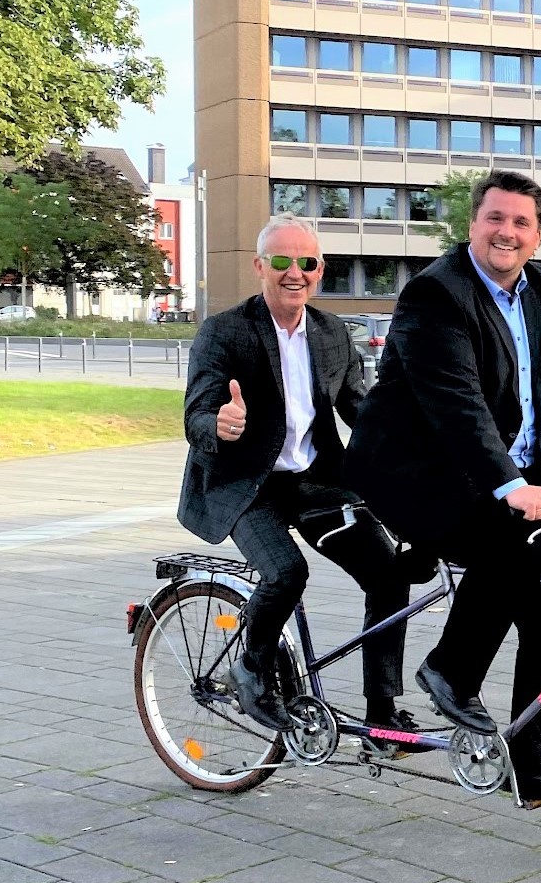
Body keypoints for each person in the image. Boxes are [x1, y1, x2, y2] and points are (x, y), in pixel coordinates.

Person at [346, 170, 541, 811]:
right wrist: (510, 485)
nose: (506, 232)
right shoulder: (436, 293)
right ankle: (449, 670)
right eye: (495, 218)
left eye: (522, 222)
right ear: (473, 224)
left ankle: (534, 766)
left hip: (519, 479)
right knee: (509, 548)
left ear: (538, 235)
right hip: (416, 472)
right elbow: (456, 406)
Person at [178, 213, 427, 749]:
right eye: (282, 261)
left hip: (315, 483)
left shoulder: (331, 332)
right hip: (247, 486)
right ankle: (251, 668)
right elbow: (196, 414)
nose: (295, 272)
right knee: (286, 573)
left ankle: (381, 715)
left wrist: (413, 447)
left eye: (307, 262)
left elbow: (360, 409)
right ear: (259, 266)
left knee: (388, 577)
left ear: (320, 269)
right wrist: (219, 424)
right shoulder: (225, 332)